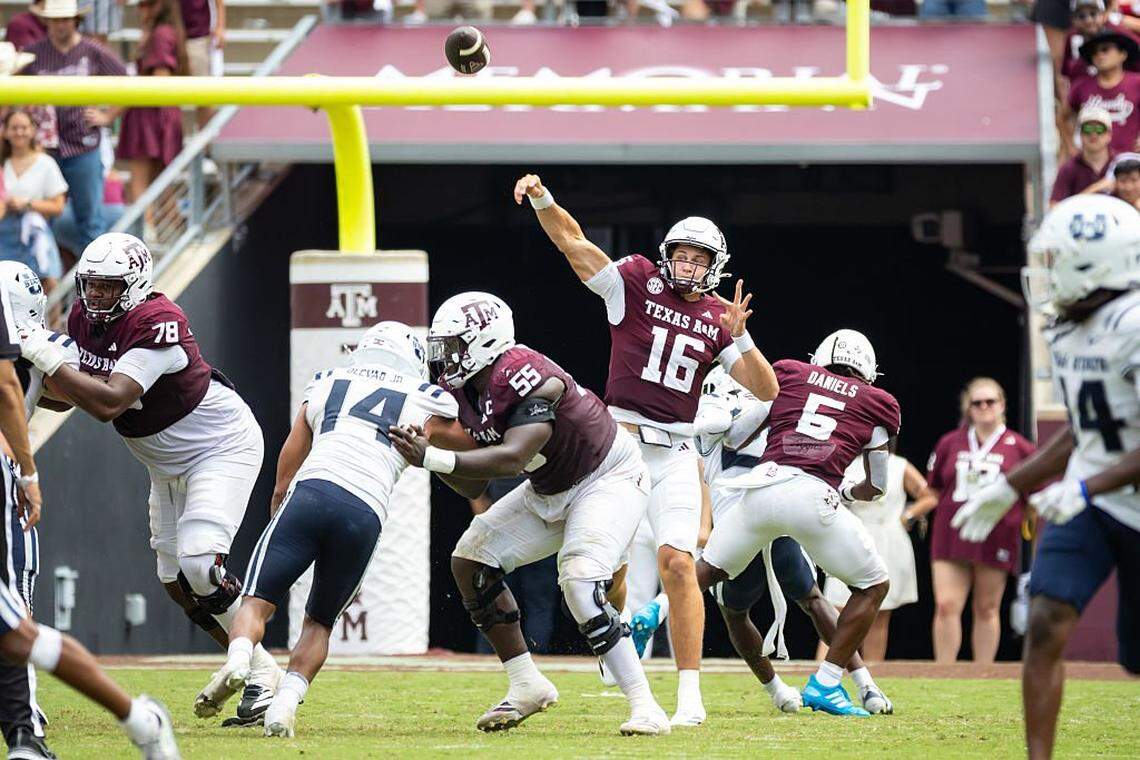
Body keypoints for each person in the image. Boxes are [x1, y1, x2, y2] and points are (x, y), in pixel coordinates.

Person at [514, 173, 779, 727]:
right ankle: (617, 639)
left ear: (715, 266)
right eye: (681, 254)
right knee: (606, 564)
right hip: (617, 447)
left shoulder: (717, 319)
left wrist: (742, 337)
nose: (688, 264)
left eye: (698, 258)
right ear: (666, 256)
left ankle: (689, 696)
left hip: (677, 450)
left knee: (678, 562)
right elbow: (575, 244)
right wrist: (544, 199)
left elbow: (767, 390)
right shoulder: (633, 281)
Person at [14, 232, 284, 727]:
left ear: (134, 285)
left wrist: (43, 354)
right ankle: (262, 669)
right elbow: (72, 394)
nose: (95, 297)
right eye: (91, 285)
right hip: (163, 461)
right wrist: (26, 374)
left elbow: (108, 402)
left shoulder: (157, 322)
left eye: (107, 287)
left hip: (218, 446)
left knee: (200, 562)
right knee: (174, 582)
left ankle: (255, 672)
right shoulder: (83, 319)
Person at [388, 291, 669, 736]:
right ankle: (526, 684)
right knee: (470, 559)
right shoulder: (459, 391)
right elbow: (474, 484)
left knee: (577, 585)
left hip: (607, 478)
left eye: (454, 346)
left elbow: (516, 456)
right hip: (549, 488)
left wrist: (433, 458)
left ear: (484, 341)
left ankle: (645, 705)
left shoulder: (525, 373)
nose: (446, 360)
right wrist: (430, 453)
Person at [952, 193, 1140, 760]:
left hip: (1115, 497)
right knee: (1047, 619)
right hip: (1091, 496)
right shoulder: (1069, 328)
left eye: (1059, 260)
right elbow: (1085, 428)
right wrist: (1012, 484)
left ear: (1097, 265)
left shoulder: (1134, 325)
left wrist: (1084, 487)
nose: (1046, 274)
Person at [210, 322, 457, 738]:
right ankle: (285, 702)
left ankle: (238, 660)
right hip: (365, 510)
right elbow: (464, 441)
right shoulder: (427, 397)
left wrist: (278, 505)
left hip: (312, 491)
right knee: (319, 622)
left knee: (256, 602)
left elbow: (292, 452)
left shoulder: (327, 380)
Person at [0, 263, 179, 760]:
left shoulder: (39, 346)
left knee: (17, 626)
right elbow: (59, 394)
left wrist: (29, 474)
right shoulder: (46, 347)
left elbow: (36, 389)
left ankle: (30, 730)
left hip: (5, 476)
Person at [694, 329, 901, 717]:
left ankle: (644, 616)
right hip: (803, 497)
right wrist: (849, 492)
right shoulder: (876, 401)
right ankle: (825, 683)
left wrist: (714, 426)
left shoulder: (789, 377)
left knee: (706, 580)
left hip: (757, 496)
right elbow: (877, 486)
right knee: (869, 585)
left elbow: (736, 435)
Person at [903, 378, 1035, 664]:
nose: (985, 407)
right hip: (951, 533)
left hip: (997, 533)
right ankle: (945, 671)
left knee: (987, 607)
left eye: (991, 401)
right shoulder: (951, 442)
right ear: (968, 408)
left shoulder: (1020, 446)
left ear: (1003, 405)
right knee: (946, 604)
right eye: (977, 402)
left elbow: (1035, 494)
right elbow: (933, 487)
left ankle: (983, 673)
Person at [21, 0, 126, 253]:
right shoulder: (33, 53)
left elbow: (126, 81)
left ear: (75, 21)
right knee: (41, 217)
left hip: (83, 145)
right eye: (56, 20)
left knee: (90, 218)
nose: (60, 25)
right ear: (46, 21)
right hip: (46, 148)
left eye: (65, 19)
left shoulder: (92, 50)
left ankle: (92, 278)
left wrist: (108, 116)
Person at [822, 451, 924, 662]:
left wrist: (908, 515)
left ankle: (872, 673)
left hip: (888, 539)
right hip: (852, 536)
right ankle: (825, 669)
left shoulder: (899, 465)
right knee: (836, 610)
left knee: (880, 613)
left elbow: (929, 494)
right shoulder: (847, 463)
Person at [470, 476, 560, 655]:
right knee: (538, 603)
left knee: (494, 601)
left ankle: (488, 657)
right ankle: (535, 658)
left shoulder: (497, 454)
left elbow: (476, 494)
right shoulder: (541, 454)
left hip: (504, 536)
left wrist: (485, 527)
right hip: (537, 535)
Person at [116, 0, 187, 209]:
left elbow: (160, 79)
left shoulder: (161, 34)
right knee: (162, 185)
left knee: (141, 181)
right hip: (159, 114)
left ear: (159, 6)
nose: (140, 10)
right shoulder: (164, 32)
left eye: (145, 5)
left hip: (151, 115)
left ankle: (144, 233)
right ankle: (164, 232)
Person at [0, 108, 67, 293]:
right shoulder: (2, 163)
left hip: (35, 232)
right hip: (3, 234)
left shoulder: (46, 163)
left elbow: (58, 205)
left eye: (24, 127)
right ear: (5, 131)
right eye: (14, 127)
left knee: (49, 281)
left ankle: (51, 322)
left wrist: (27, 204)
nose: (19, 132)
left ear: (33, 130)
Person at [1063, 30, 1140, 156]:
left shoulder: (1137, 83)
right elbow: (1062, 117)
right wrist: (1071, 147)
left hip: (1129, 164)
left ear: (1123, 54)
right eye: (1094, 52)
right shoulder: (1081, 86)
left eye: (1105, 50)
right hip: (1093, 164)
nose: (1099, 55)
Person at [1051, 105, 1115, 207]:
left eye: (1099, 129)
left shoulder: (1121, 164)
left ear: (1109, 135)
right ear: (1080, 134)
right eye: (1087, 129)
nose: (1093, 134)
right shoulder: (1068, 169)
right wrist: (1095, 188)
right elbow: (1054, 209)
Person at [177, 0, 224, 128]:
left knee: (204, 97)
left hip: (198, 37)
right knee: (165, 95)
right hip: (171, 37)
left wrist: (220, 26)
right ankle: (170, 144)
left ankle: (205, 144)